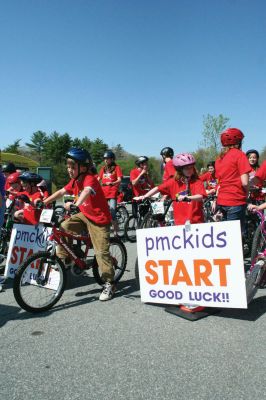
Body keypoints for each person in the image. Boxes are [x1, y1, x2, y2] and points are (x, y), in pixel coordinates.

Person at [43, 148, 115, 301]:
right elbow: (62, 192)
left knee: (101, 252)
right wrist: (44, 202)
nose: (69, 170)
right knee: (63, 227)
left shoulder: (90, 178)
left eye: (72, 167)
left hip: (99, 219)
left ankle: (109, 283)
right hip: (84, 215)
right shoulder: (75, 180)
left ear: (83, 167)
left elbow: (87, 191)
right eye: (68, 166)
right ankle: (66, 260)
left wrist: (76, 203)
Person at [134, 153, 207, 225]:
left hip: (196, 221)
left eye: (191, 167)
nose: (190, 170)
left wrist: (187, 197)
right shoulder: (173, 182)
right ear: (180, 170)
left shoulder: (197, 182)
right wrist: (145, 196)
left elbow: (200, 196)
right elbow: (158, 188)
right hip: (180, 222)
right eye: (187, 168)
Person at [213, 128, 251, 232]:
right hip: (235, 200)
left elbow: (219, 182)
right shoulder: (240, 155)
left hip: (221, 200)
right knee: (235, 236)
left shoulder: (219, 159)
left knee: (226, 235)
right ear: (239, 142)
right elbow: (245, 182)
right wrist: (247, 193)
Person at [98, 150, 123, 236]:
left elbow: (119, 179)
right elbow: (98, 179)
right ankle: (105, 231)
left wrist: (112, 183)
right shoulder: (103, 169)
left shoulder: (117, 168)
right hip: (103, 193)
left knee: (112, 212)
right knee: (103, 212)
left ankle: (116, 232)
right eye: (105, 159)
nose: (105, 160)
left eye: (107, 159)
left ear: (112, 159)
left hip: (112, 192)